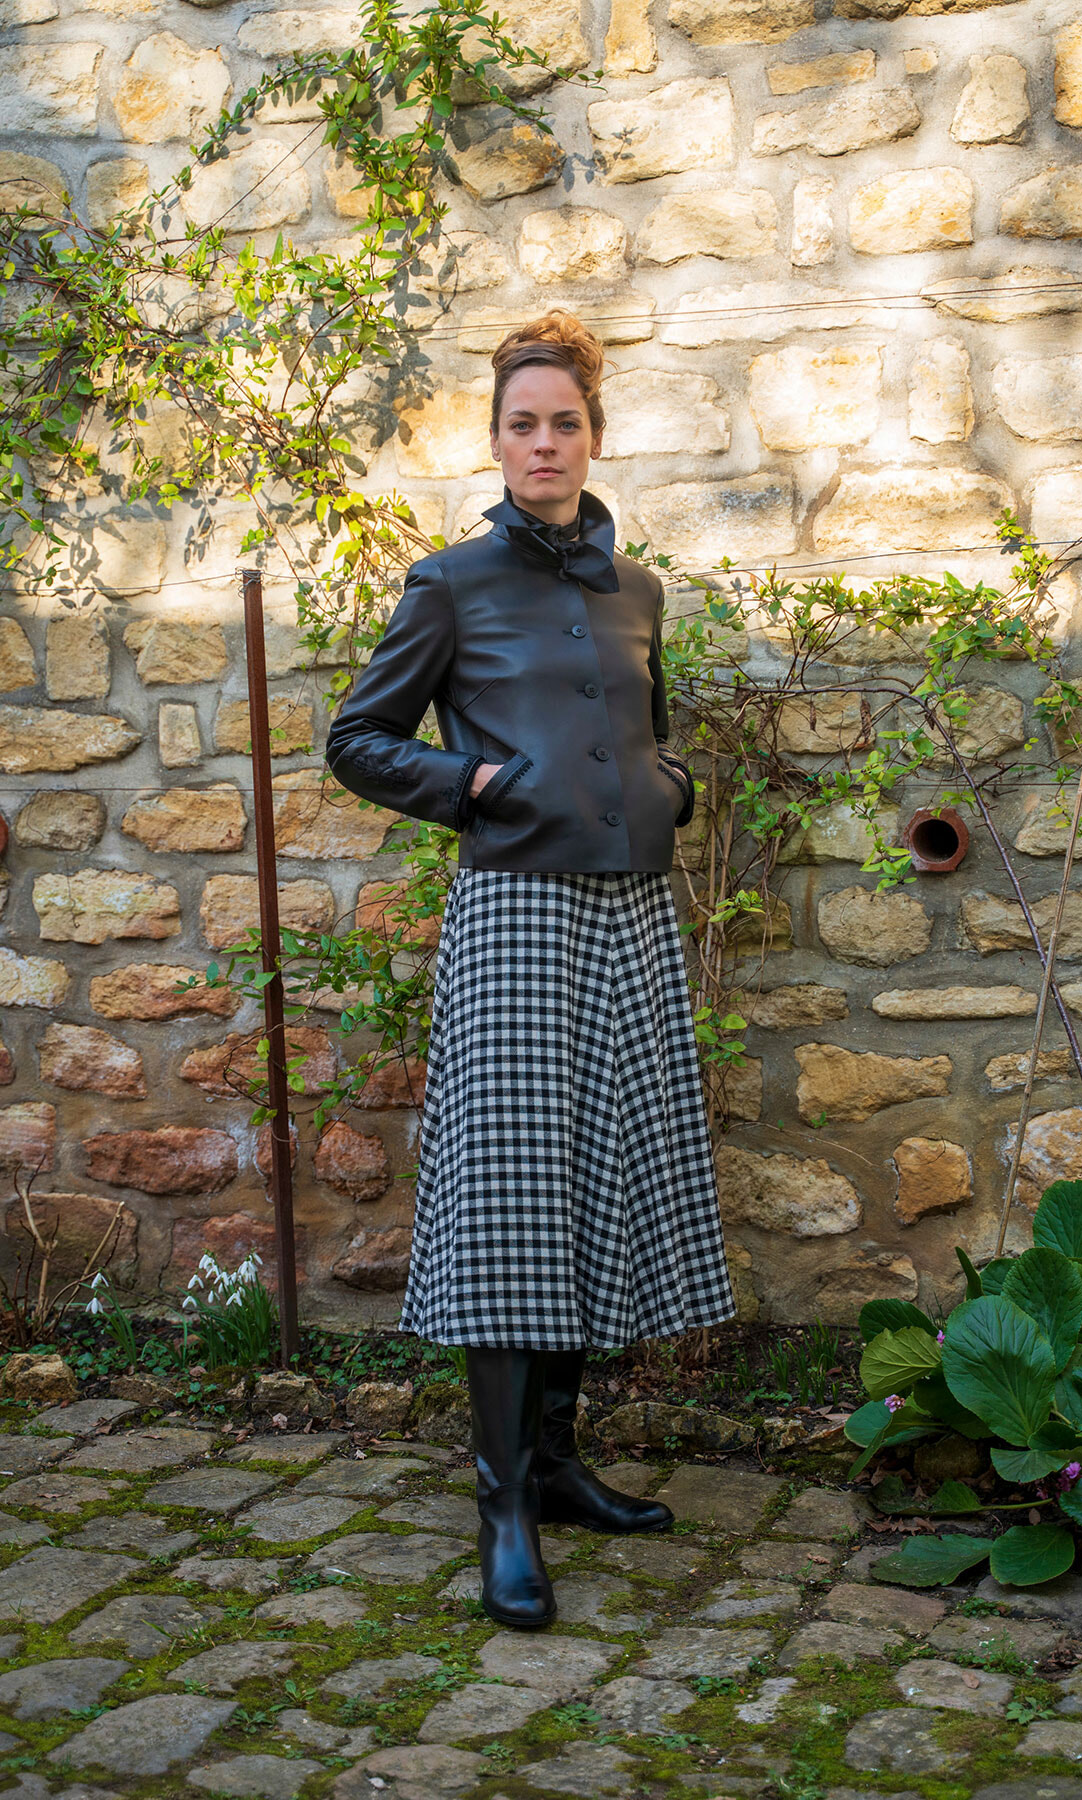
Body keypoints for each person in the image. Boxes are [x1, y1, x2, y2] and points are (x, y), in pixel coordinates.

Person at [325, 310, 734, 1630]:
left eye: (564, 422)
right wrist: (472, 784)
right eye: (522, 424)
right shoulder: (452, 583)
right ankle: (501, 1502)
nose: (543, 442)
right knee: (511, 1193)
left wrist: (670, 787)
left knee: (597, 1176)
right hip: (513, 912)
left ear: (593, 437)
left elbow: (650, 729)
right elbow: (357, 737)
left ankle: (557, 1464)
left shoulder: (638, 590)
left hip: (632, 911)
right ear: (496, 442)